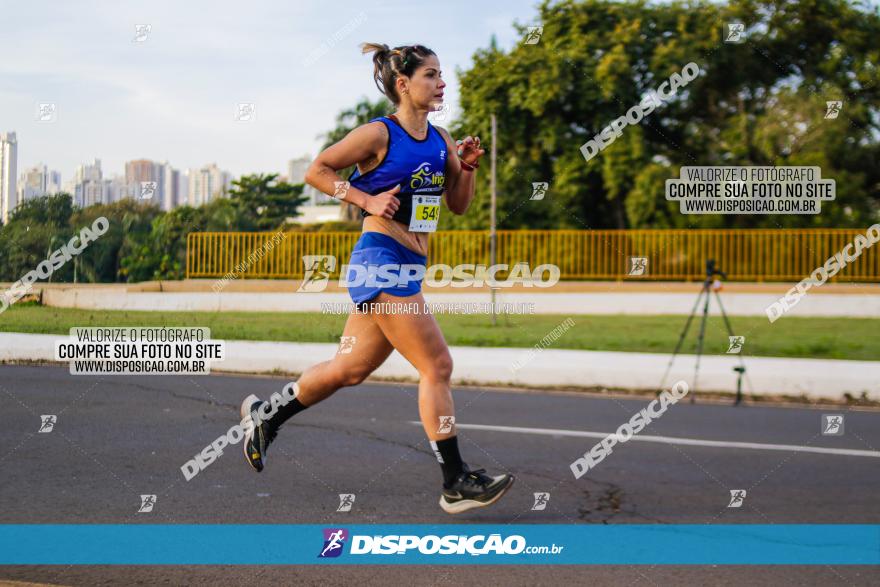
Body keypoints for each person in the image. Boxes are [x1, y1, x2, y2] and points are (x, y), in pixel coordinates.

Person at [239, 42, 514, 514]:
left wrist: (465, 166)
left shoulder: (442, 138)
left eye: (442, 74)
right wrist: (364, 200)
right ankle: (455, 482)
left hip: (409, 266)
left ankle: (268, 417)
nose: (441, 82)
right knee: (437, 366)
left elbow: (459, 204)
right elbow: (317, 171)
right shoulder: (378, 134)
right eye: (431, 75)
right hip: (380, 261)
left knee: (348, 369)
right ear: (403, 84)